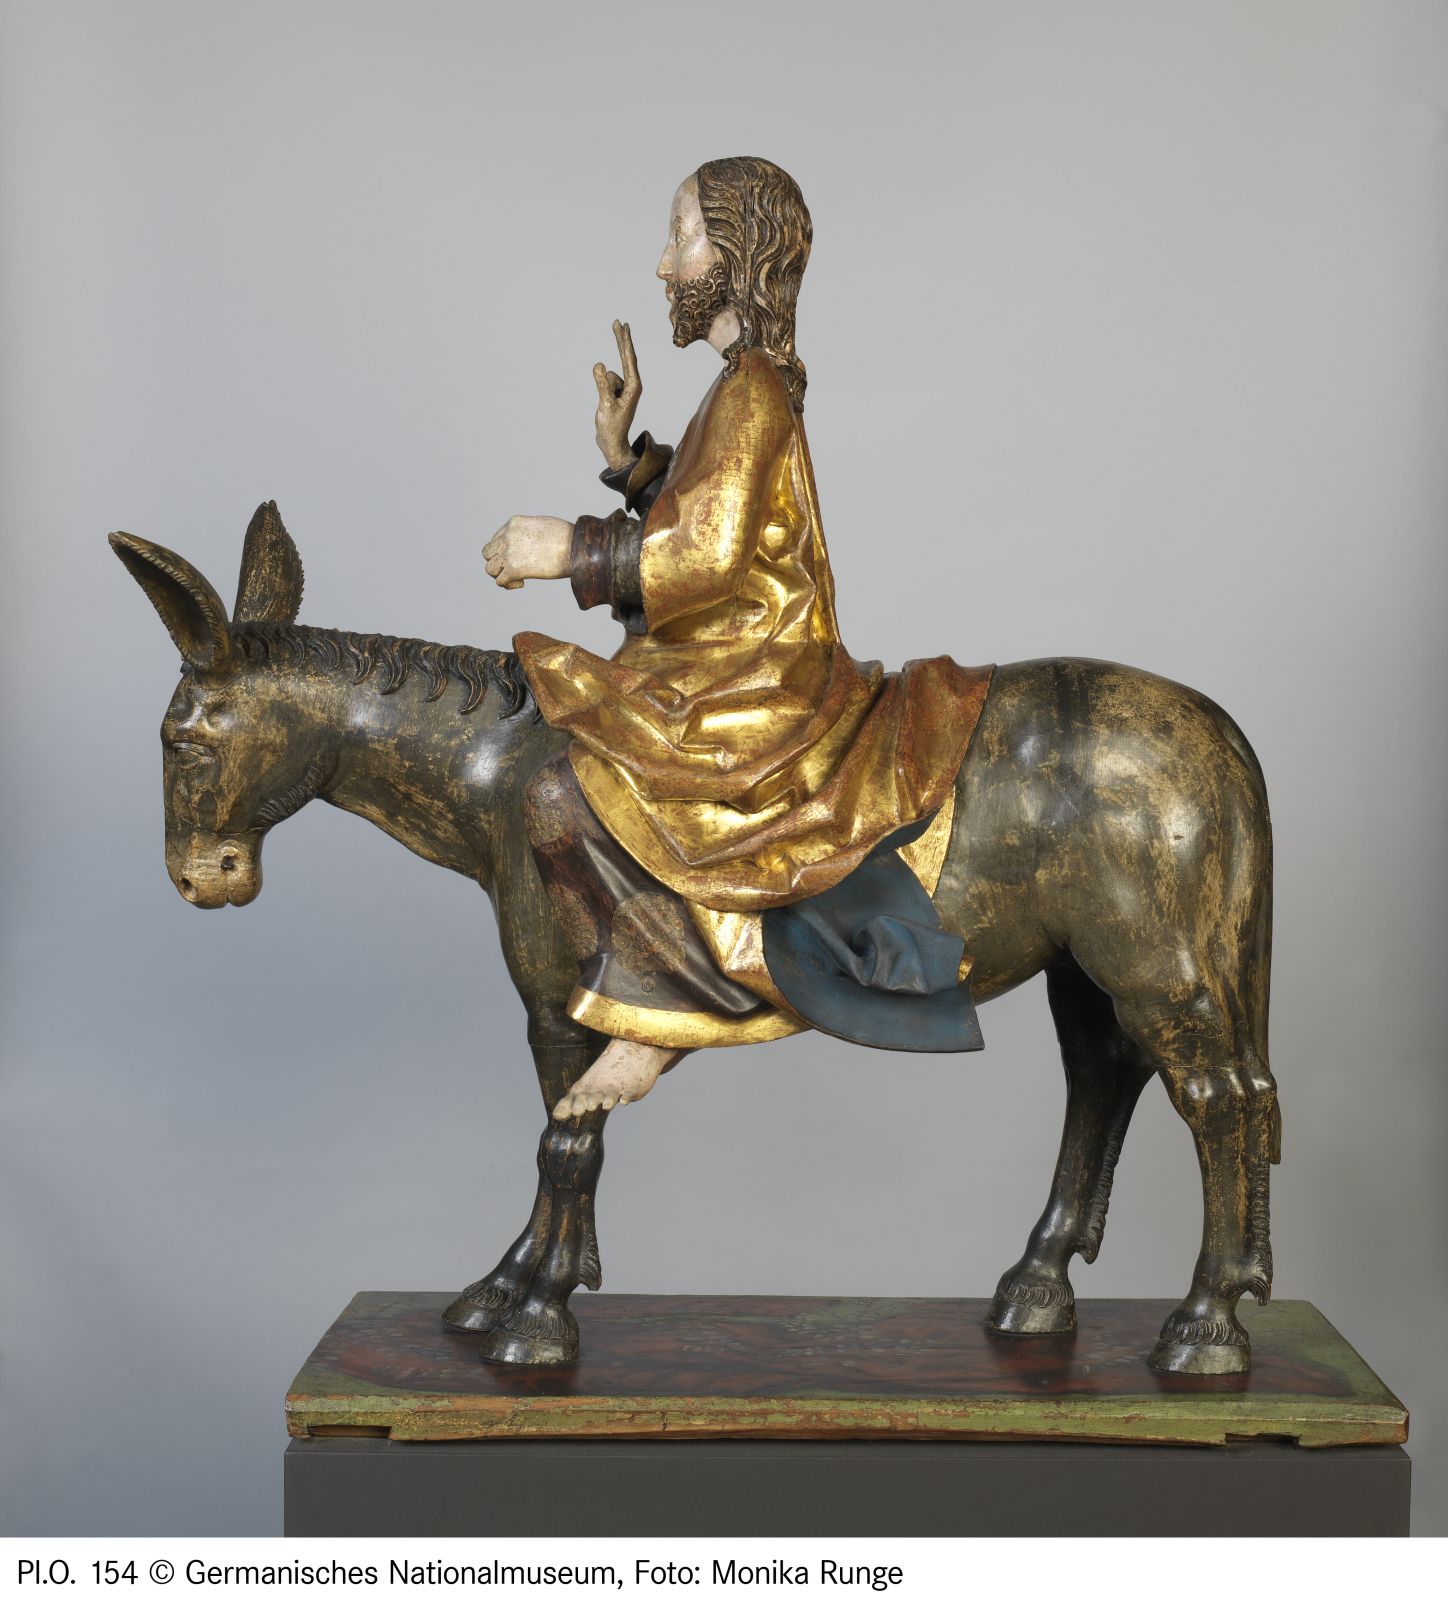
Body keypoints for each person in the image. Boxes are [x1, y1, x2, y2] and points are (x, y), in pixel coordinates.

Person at [483, 157, 990, 1122]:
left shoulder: (752, 387)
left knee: (563, 790)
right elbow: (711, 515)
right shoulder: (739, 386)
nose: (664, 266)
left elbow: (705, 559)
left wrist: (567, 548)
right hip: (721, 653)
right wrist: (627, 463)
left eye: (681, 238)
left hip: (758, 669)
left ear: (735, 253)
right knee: (579, 755)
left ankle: (657, 1009)